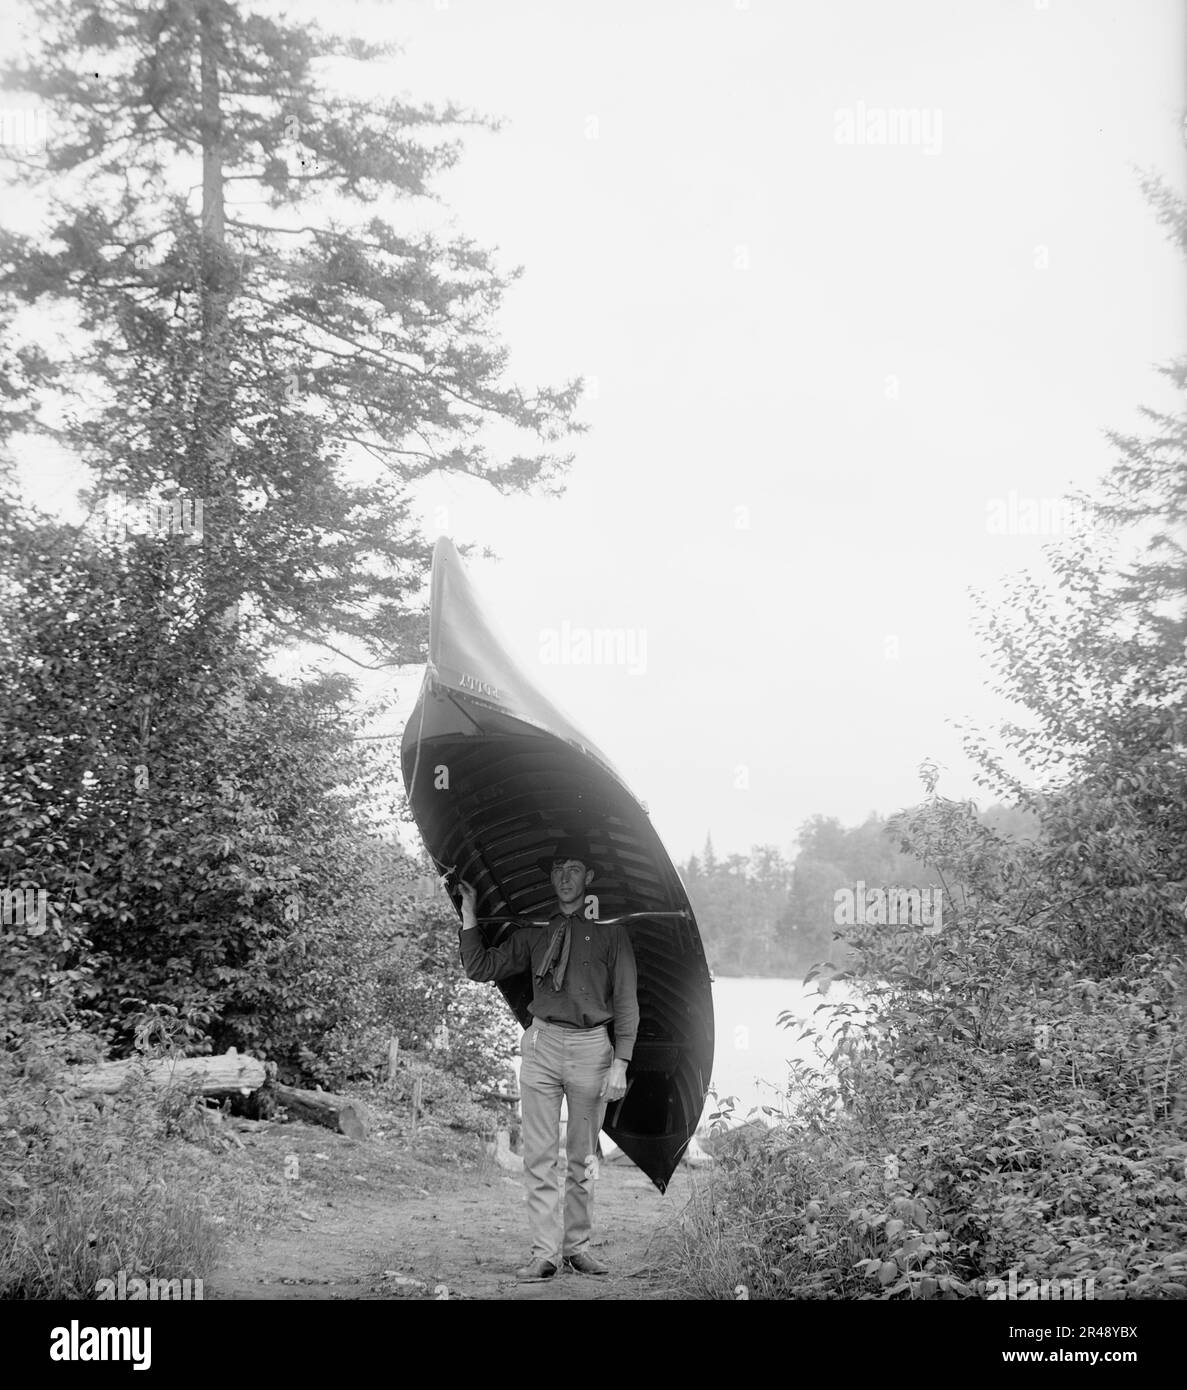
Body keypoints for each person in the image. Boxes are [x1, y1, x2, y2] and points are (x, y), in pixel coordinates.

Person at [454, 833, 639, 1283]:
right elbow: (480, 968)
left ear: (589, 877)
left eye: (573, 869)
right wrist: (469, 914)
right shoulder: (533, 935)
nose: (564, 878)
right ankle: (544, 1254)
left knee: (582, 1157)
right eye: (557, 871)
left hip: (592, 1049)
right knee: (538, 1157)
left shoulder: (613, 935)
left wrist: (621, 1063)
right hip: (539, 1046)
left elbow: (627, 1002)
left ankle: (577, 1248)